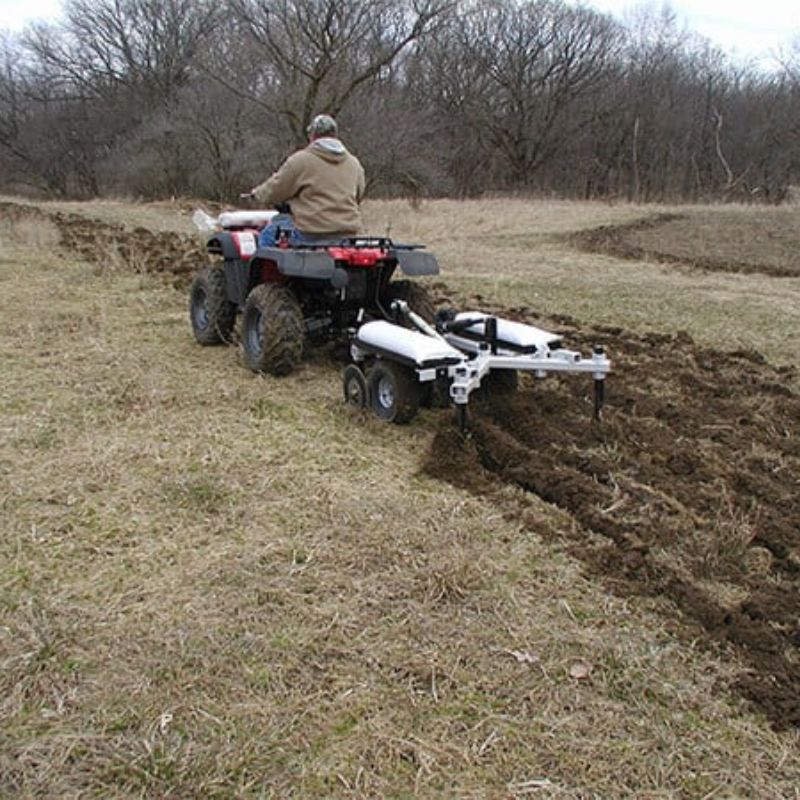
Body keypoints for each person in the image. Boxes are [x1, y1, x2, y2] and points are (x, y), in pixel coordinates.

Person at [248, 114, 366, 247]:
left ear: (312, 136)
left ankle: (261, 268)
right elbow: (359, 194)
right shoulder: (354, 163)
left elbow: (275, 189)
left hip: (310, 234)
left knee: (268, 234)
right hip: (347, 235)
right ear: (335, 134)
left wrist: (257, 194)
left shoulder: (301, 161)